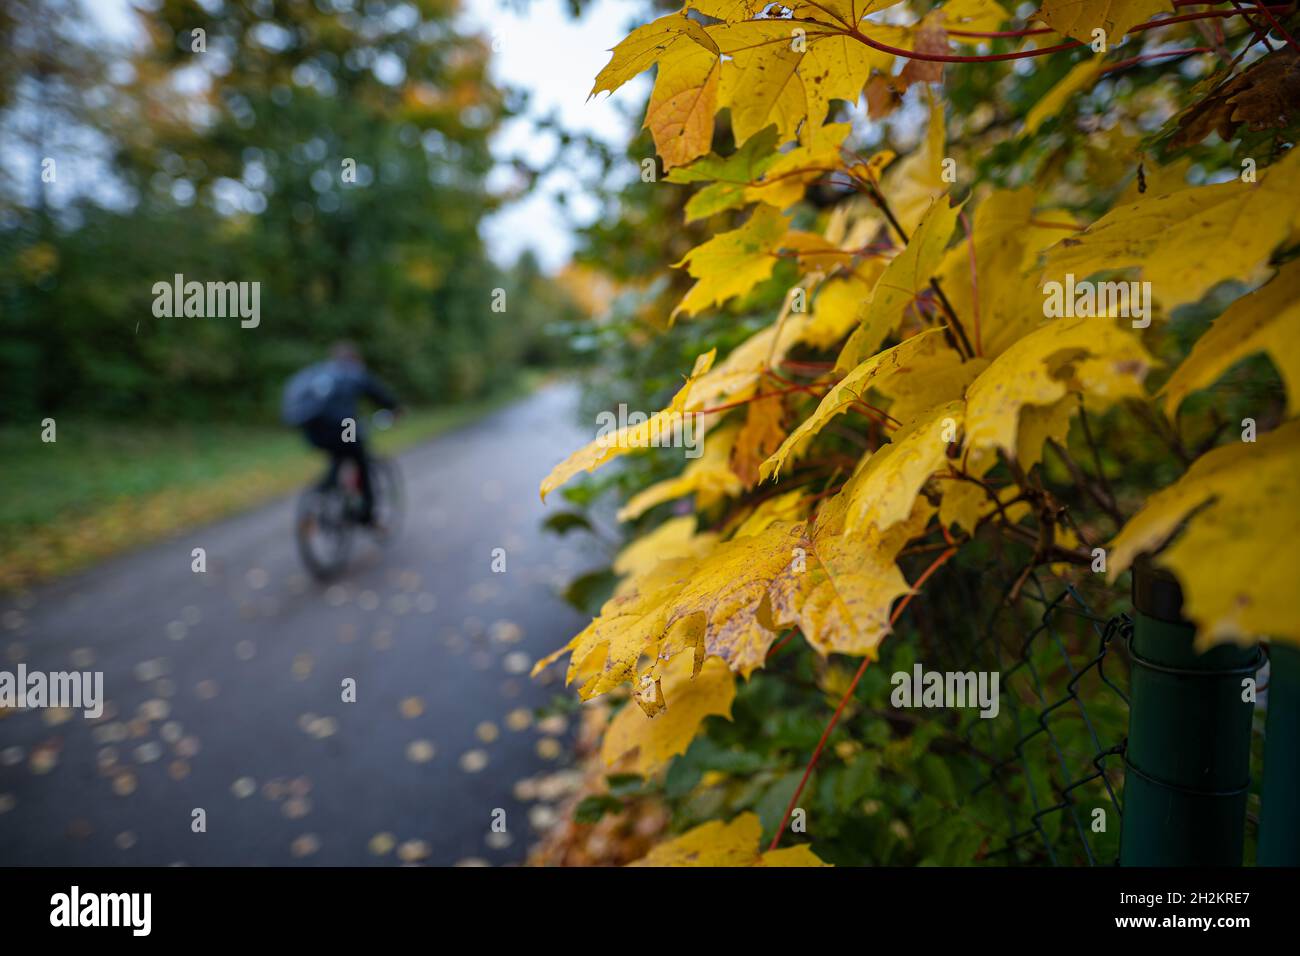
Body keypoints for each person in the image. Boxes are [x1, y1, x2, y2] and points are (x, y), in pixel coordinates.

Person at [281, 342, 400, 526]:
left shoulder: (320, 373)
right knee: (360, 457)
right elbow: (379, 394)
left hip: (312, 430)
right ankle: (367, 515)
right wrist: (395, 409)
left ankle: (322, 493)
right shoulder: (353, 372)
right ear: (355, 359)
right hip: (345, 425)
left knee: (339, 455)